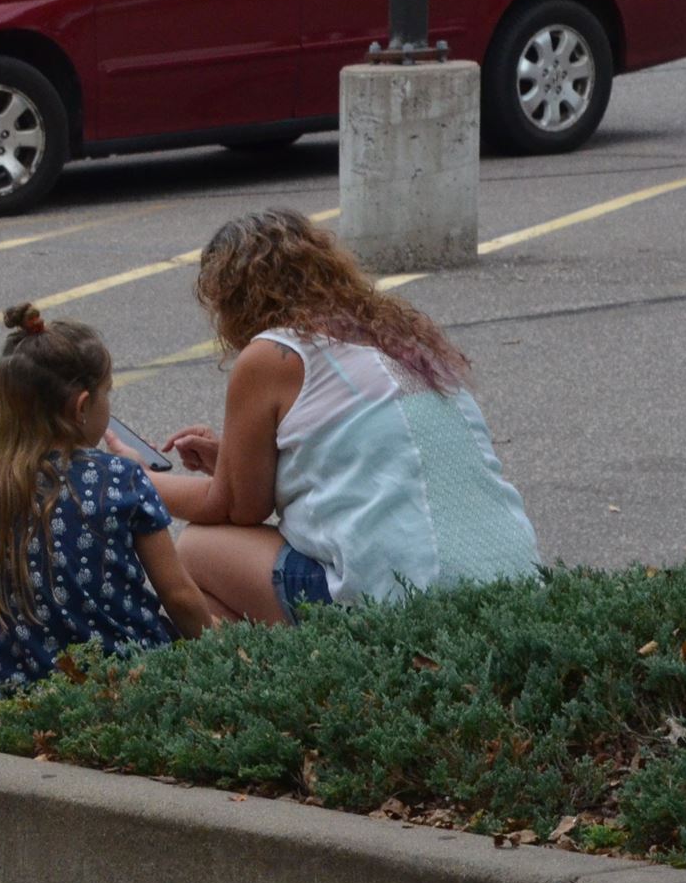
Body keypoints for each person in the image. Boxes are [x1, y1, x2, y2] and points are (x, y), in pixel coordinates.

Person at [152, 208, 540, 623]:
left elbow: (235, 508)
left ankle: (283, 681)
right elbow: (377, 457)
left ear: (231, 298)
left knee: (199, 548)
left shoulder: (272, 354)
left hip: (403, 604)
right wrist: (233, 460)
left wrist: (133, 478)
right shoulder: (398, 334)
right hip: (514, 582)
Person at [0, 304, 212, 714]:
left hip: (27, 687)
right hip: (131, 680)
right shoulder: (124, 479)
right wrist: (225, 653)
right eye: (108, 393)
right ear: (82, 406)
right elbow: (177, 594)